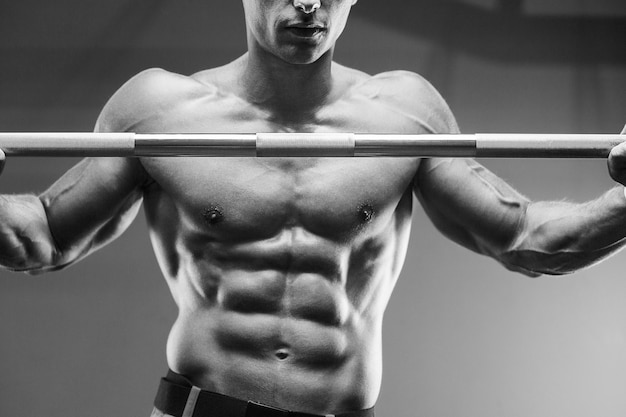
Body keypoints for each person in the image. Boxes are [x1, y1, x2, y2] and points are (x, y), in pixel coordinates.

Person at [1, 0, 625, 416]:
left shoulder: (402, 115)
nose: (309, 3)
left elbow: (525, 239)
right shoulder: (159, 111)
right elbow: (45, 238)